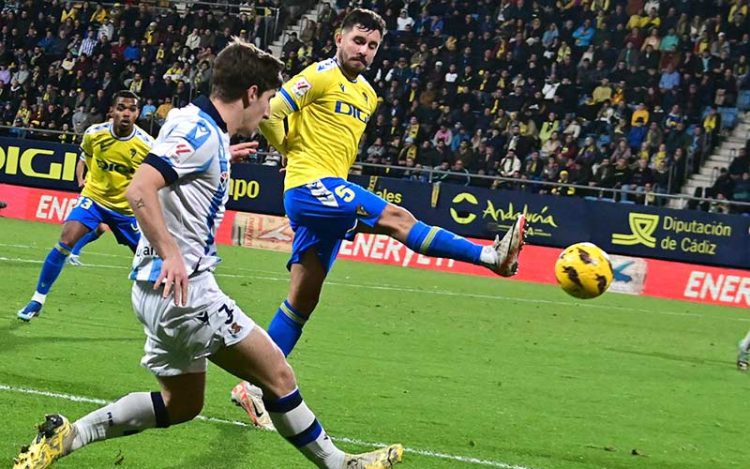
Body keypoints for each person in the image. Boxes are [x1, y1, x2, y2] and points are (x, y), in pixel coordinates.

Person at [13, 38, 403, 469]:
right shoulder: (200, 134)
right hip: (186, 292)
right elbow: (139, 188)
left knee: (181, 405)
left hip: (154, 293)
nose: (271, 112)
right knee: (278, 374)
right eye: (270, 99)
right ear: (251, 93)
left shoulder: (198, 124)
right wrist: (171, 254)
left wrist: (220, 156)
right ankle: (339, 464)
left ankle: (68, 435)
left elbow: (183, 160)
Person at [231, 8, 526, 419]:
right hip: (309, 187)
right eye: (358, 41)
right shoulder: (318, 75)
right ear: (339, 37)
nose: (364, 50)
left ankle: (252, 387)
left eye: (372, 45)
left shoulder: (368, 95)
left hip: (326, 192)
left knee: (302, 302)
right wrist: (288, 149)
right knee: (397, 218)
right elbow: (270, 113)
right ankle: (490, 256)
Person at [17, 91, 154, 321]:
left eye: (131, 109)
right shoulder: (94, 134)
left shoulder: (147, 145)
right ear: (112, 111)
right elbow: (87, 157)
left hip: (127, 209)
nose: (126, 113)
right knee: (65, 240)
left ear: (138, 113)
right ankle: (37, 300)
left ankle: (165, 315)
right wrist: (88, 183)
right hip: (95, 199)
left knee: (150, 262)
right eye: (121, 108)